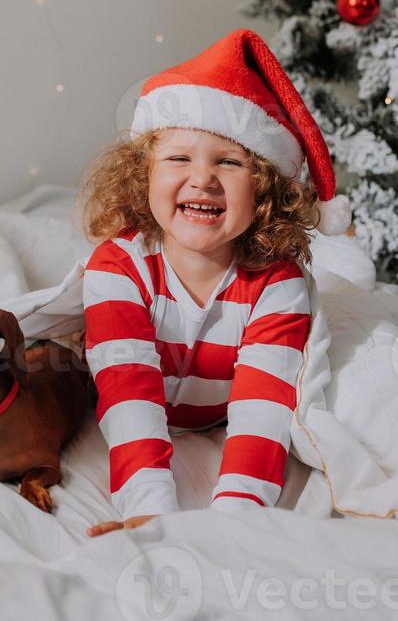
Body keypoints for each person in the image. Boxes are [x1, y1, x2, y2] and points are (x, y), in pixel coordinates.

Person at [79, 28, 351, 537]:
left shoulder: (278, 284)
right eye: (178, 158)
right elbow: (128, 393)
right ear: (142, 177)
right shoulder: (117, 268)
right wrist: (151, 512)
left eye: (229, 161)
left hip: (218, 418)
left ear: (266, 190)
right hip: (142, 409)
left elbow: (261, 415)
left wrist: (233, 524)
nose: (202, 178)